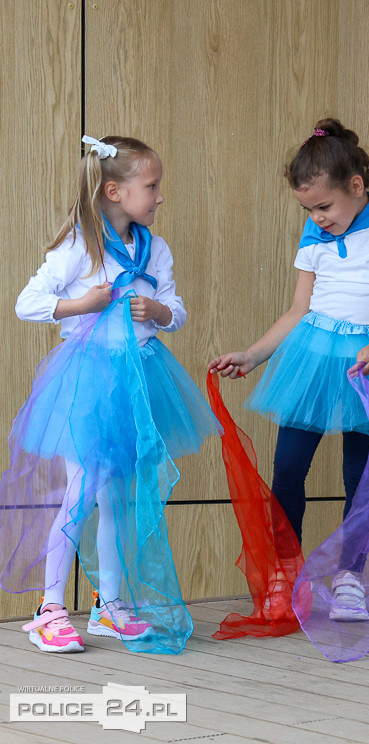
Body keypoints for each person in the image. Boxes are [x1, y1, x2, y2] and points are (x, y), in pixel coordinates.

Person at [210, 119, 369, 622]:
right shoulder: (314, 236)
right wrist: (254, 354)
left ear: (356, 187)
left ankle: (350, 577)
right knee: (288, 467)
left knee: (360, 475)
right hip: (313, 359)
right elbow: (298, 309)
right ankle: (283, 572)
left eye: (324, 206)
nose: (316, 217)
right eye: (307, 209)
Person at [7, 134, 217, 653]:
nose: (159, 196)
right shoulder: (80, 244)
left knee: (116, 496)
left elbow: (175, 307)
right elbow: (27, 302)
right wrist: (82, 303)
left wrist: (162, 314)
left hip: (140, 378)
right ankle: (50, 606)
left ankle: (109, 604)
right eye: (152, 186)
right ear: (115, 191)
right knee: (82, 485)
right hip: (89, 381)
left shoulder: (155, 247)